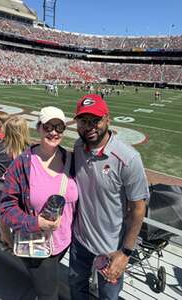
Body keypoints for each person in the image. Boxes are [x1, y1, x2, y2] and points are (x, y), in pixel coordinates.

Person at [69, 94, 150, 300]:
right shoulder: (78, 147)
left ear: (107, 119)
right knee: (76, 290)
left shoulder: (128, 158)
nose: (90, 126)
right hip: (80, 242)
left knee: (109, 297)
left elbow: (138, 209)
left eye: (95, 120)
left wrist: (126, 253)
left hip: (111, 249)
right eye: (84, 121)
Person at [0, 106, 78, 300]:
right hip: (37, 245)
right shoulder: (23, 163)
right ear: (39, 128)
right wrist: (36, 223)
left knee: (46, 285)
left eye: (59, 127)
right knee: (49, 295)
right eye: (48, 126)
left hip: (64, 242)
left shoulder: (71, 159)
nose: (53, 132)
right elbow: (6, 207)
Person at [0, 116, 30, 250]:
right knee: (17, 221)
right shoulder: (29, 150)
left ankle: (8, 244)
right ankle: (13, 245)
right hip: (15, 194)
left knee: (2, 222)